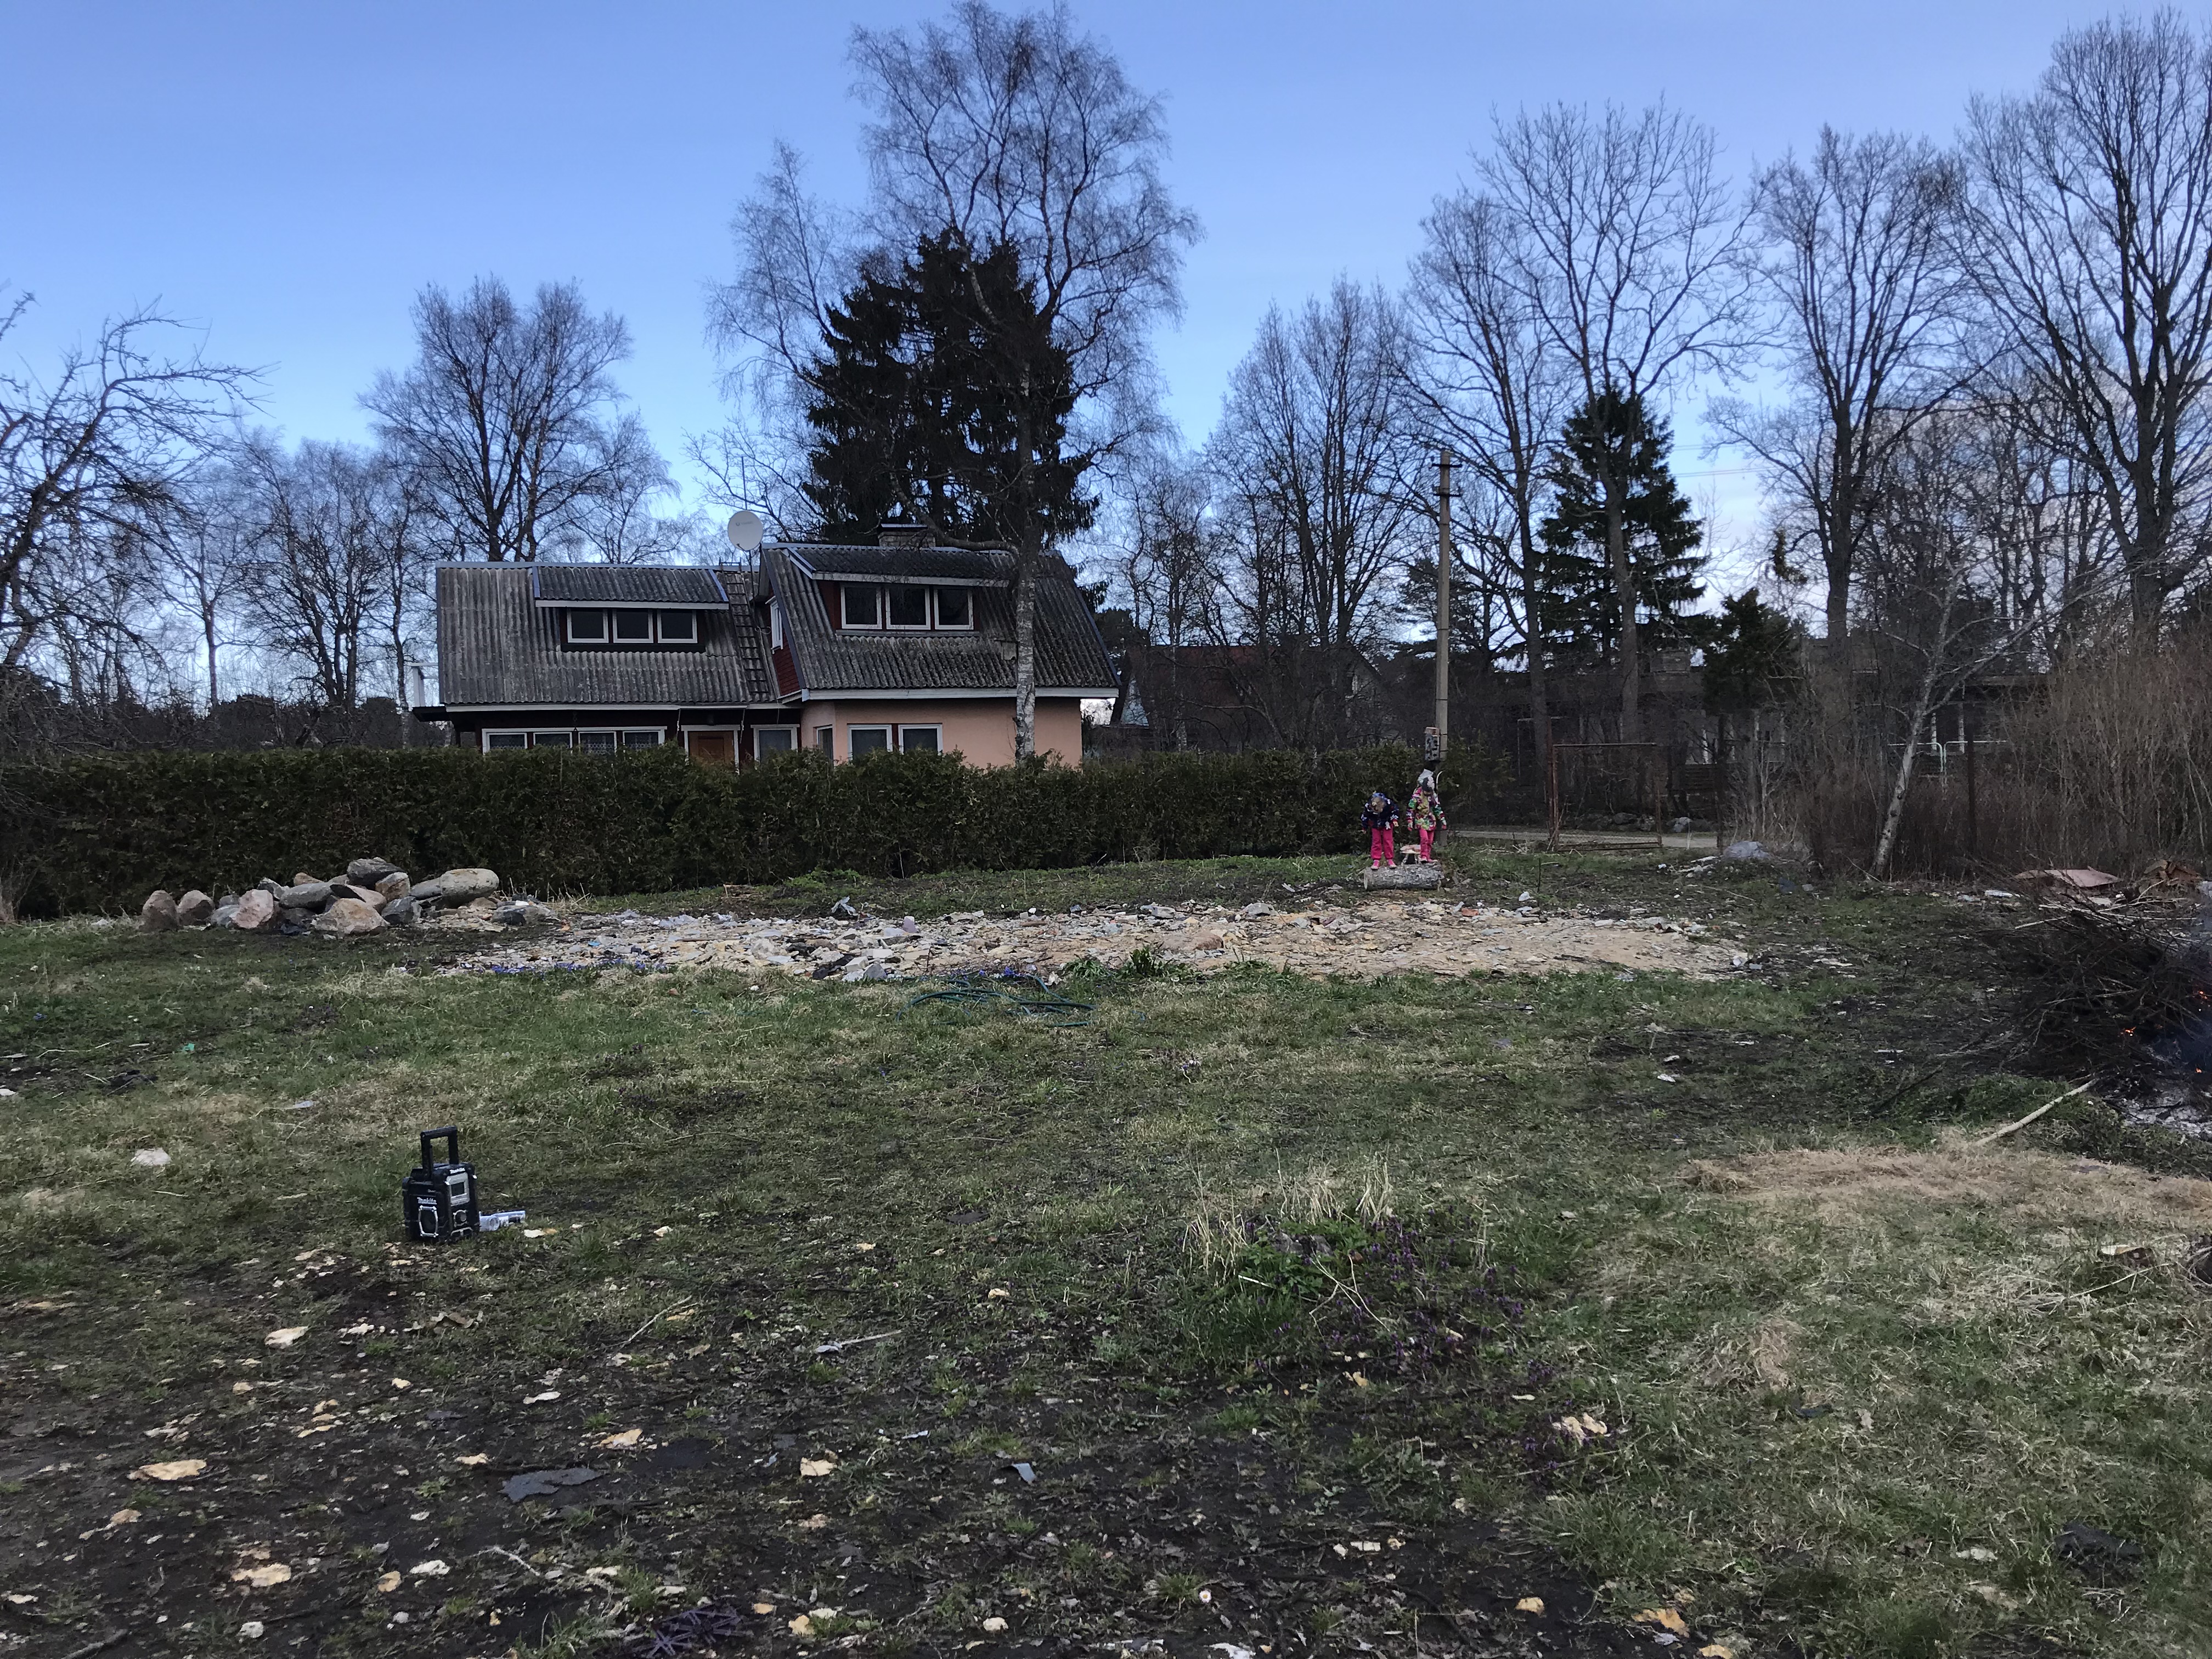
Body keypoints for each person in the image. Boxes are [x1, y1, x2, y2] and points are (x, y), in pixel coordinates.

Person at [1405, 769, 1447, 864]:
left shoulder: (1433, 796)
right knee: (1424, 838)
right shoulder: (1417, 796)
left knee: (1430, 840)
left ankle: (1428, 857)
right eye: (1426, 791)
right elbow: (1411, 809)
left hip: (1431, 820)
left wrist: (1442, 820)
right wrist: (1410, 821)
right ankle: (1423, 856)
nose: (1428, 793)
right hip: (1421, 820)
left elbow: (1437, 808)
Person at [1360, 789, 1398, 870]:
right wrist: (1365, 827)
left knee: (1388, 840)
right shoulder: (1368, 807)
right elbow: (1365, 817)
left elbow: (1395, 811)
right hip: (1375, 824)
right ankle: (1376, 860)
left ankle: (1390, 860)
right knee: (1376, 841)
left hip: (1387, 823)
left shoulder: (1389, 803)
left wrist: (1394, 820)